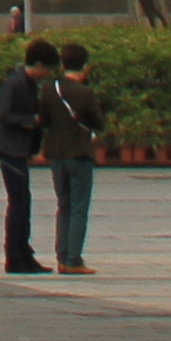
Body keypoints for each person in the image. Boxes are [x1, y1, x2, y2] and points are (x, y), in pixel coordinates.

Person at [41, 39, 111, 274]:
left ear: (63, 63)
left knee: (64, 205)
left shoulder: (49, 88)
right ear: (85, 66)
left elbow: (44, 120)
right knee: (79, 207)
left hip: (56, 154)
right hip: (79, 154)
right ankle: (73, 260)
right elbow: (99, 123)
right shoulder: (85, 92)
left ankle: (61, 256)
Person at [0, 40, 50, 273]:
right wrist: (30, 121)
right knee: (19, 201)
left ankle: (23, 251)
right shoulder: (14, 83)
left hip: (22, 149)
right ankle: (14, 253)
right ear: (39, 64)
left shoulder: (31, 83)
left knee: (24, 201)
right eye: (47, 68)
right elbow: (4, 115)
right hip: (10, 149)